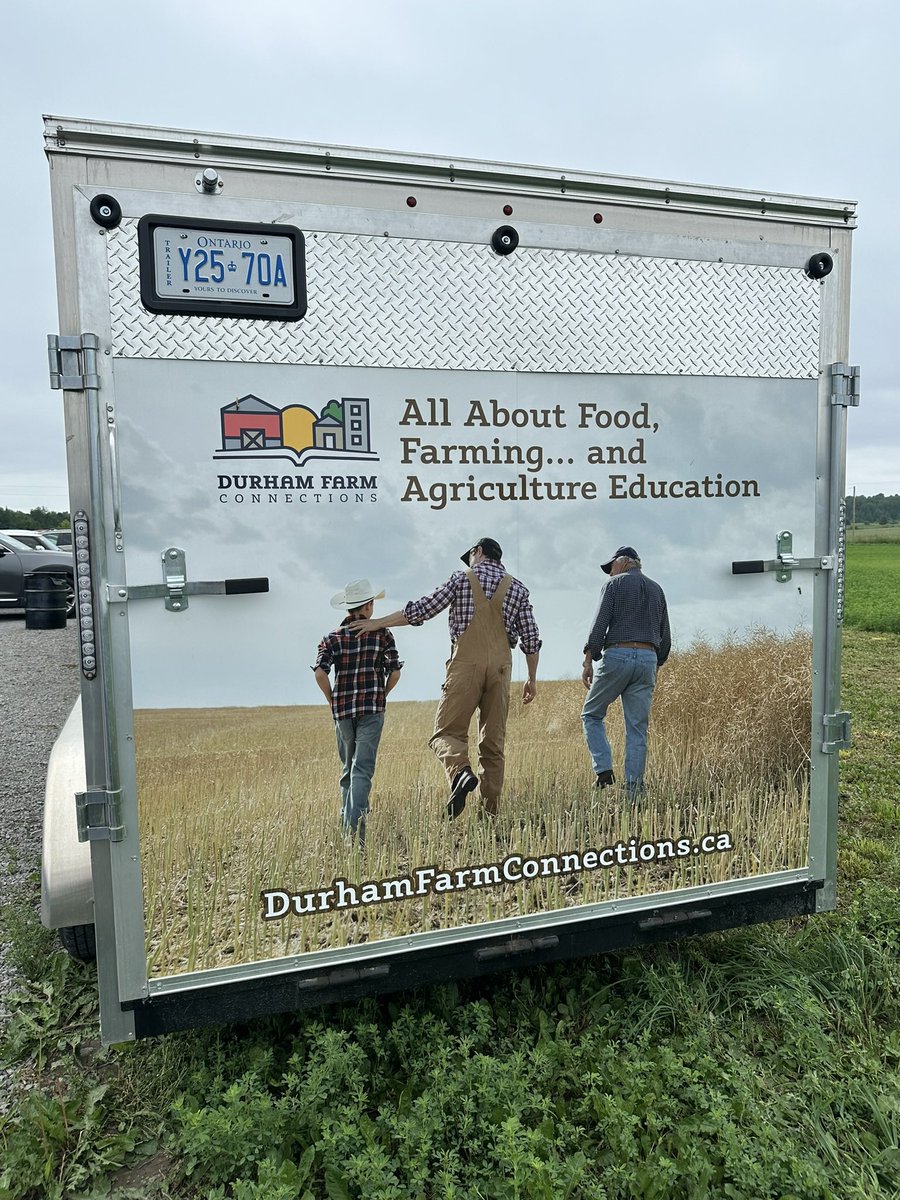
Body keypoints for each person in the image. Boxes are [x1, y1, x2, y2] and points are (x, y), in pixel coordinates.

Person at [350, 537, 540, 818]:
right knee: (492, 745)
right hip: (501, 669)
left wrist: (376, 623)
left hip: (465, 666)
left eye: (471, 556)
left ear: (478, 552)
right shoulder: (519, 589)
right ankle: (489, 816)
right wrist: (532, 678)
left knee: (446, 733)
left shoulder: (461, 579)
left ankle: (461, 773)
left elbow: (421, 610)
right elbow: (532, 640)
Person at [313, 579, 402, 846]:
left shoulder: (331, 638)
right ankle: (355, 835)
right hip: (371, 709)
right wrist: (381, 694)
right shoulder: (383, 634)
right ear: (369, 606)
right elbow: (395, 672)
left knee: (347, 770)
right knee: (362, 770)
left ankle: (345, 826)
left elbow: (320, 673)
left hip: (343, 711)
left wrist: (332, 700)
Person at [581, 546, 670, 796]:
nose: (610, 573)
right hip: (648, 659)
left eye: (611, 567)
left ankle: (604, 770)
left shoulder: (613, 586)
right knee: (637, 729)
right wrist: (655, 662)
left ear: (623, 562)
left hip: (617, 655)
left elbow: (599, 626)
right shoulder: (657, 589)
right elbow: (666, 636)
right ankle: (634, 791)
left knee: (591, 714)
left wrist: (589, 659)